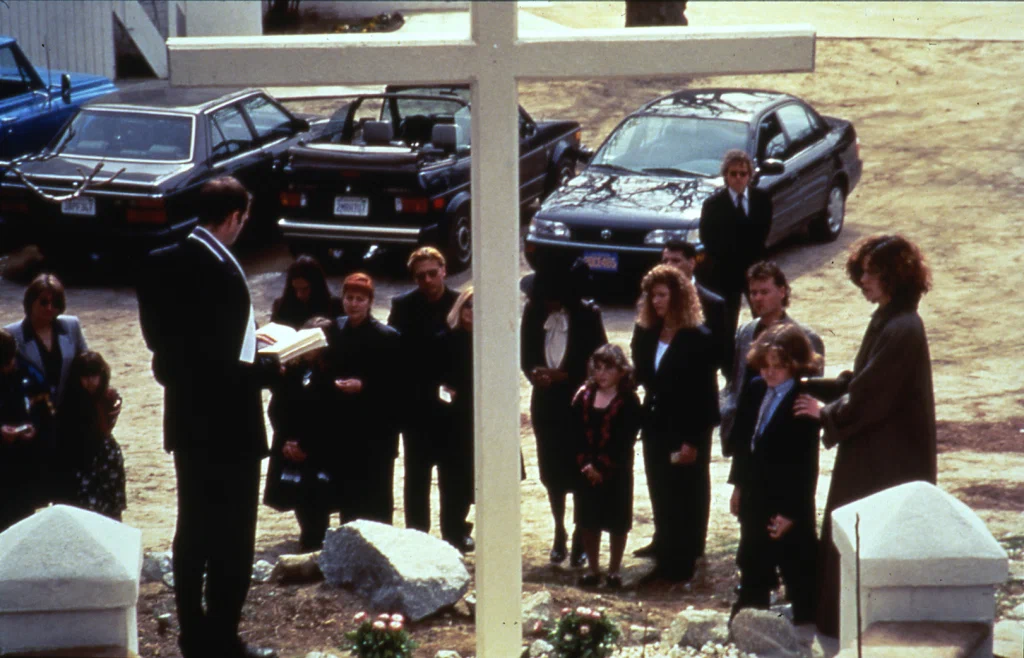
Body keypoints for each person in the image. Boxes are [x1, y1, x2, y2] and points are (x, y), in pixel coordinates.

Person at [136, 176, 279, 658]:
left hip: (188, 420)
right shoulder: (222, 270)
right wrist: (272, 367)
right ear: (235, 216)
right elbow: (220, 360)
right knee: (233, 535)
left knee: (193, 529)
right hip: (230, 424)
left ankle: (194, 633)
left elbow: (169, 349)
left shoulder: (160, 262)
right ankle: (221, 637)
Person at [793, 234, 936, 637]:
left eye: (872, 273)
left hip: (889, 457)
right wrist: (809, 384)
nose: (864, 281)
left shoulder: (904, 327)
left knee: (863, 531)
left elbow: (872, 393)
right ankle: (842, 620)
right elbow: (860, 380)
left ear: (894, 275)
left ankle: (858, 626)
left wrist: (824, 412)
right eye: (864, 272)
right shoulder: (889, 318)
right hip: (874, 448)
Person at [630, 265, 720, 583]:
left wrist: (692, 441)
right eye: (651, 295)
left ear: (678, 296)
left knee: (685, 496)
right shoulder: (647, 333)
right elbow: (641, 375)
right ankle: (665, 557)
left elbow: (705, 396)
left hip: (686, 428)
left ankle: (681, 564)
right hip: (656, 426)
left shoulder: (698, 337)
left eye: (662, 295)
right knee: (661, 492)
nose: (655, 301)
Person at [727, 324, 822, 624]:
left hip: (787, 503)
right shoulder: (756, 388)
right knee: (752, 566)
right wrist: (738, 486)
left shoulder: (802, 400)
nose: (770, 373)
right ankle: (748, 627)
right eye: (765, 365)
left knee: (799, 579)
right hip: (755, 497)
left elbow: (806, 465)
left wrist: (791, 513)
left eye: (778, 367)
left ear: (795, 365)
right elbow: (743, 443)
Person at [521, 259, 607, 566]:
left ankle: (580, 535)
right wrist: (535, 374)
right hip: (546, 403)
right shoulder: (533, 312)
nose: (547, 304)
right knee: (552, 472)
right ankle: (559, 530)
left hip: (579, 403)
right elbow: (525, 354)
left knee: (580, 470)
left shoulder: (588, 315)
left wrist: (566, 376)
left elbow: (601, 361)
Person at [387, 247, 461, 538]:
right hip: (416, 406)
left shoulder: (460, 302)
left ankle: (454, 533)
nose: (428, 280)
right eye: (421, 276)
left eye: (432, 273)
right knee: (416, 477)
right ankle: (417, 536)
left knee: (452, 476)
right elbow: (395, 354)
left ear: (444, 270)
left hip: (452, 406)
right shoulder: (403, 306)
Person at [720, 261, 824, 454]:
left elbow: (811, 391)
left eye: (764, 292)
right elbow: (736, 381)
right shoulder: (746, 331)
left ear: (782, 292)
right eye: (753, 293)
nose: (757, 298)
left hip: (783, 434)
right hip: (746, 431)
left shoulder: (805, 338)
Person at [327, 272, 401, 524]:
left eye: (360, 299)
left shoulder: (386, 336)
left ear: (370, 302)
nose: (353, 304)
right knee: (348, 496)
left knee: (377, 495)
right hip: (345, 427)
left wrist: (364, 386)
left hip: (377, 430)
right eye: (349, 298)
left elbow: (396, 384)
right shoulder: (335, 330)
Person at [263, 316, 337, 551]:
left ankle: (316, 542)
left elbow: (328, 415)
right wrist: (287, 440)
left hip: (319, 447)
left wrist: (306, 445)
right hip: (291, 443)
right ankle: (309, 537)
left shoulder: (331, 373)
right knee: (299, 497)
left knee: (318, 498)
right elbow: (277, 407)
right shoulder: (294, 371)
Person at [572, 344, 642, 590]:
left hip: (616, 471)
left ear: (621, 371)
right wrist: (586, 465)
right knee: (588, 520)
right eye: (598, 368)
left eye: (608, 369)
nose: (601, 374)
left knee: (617, 522)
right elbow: (573, 432)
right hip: (585, 470)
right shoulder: (583, 396)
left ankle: (613, 571)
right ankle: (593, 570)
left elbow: (625, 439)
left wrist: (601, 467)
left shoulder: (629, 401)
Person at [698, 150, 772, 360]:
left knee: (765, 318)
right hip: (725, 274)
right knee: (726, 325)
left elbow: (763, 233)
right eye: (733, 174)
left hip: (755, 271)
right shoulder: (713, 205)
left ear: (749, 175)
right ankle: (729, 366)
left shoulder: (762, 199)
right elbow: (708, 239)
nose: (738, 178)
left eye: (743, 173)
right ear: (726, 176)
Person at [56, 351, 127, 521]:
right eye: (85, 377)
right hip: (81, 460)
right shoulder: (70, 403)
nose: (90, 382)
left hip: (106, 460)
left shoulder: (107, 398)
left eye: (94, 376)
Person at [4, 273, 89, 407]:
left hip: (69, 408)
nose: (49, 307)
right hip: (31, 411)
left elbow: (89, 365)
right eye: (43, 302)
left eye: (55, 303)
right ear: (31, 302)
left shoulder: (72, 326)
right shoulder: (11, 334)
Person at [0, 328, 54, 532]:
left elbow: (46, 413)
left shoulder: (29, 375)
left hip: (23, 464)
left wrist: (35, 427)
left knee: (21, 523)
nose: (7, 368)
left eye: (9, 362)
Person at [436, 287, 477, 552]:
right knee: (454, 481)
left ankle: (468, 529)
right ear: (460, 308)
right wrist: (444, 392)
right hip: (454, 419)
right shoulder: (446, 339)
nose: (473, 311)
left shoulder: (491, 340)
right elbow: (434, 379)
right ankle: (453, 532)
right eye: (468, 305)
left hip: (482, 416)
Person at [660, 241, 729, 378]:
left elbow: (719, 352)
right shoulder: (652, 299)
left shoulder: (713, 303)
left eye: (675, 261)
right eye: (665, 261)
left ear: (691, 263)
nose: (668, 266)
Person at [270, 255, 343, 329]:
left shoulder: (334, 306)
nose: (299, 294)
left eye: (305, 289)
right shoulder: (281, 307)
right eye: (295, 289)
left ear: (316, 286)